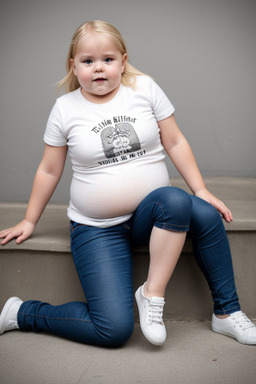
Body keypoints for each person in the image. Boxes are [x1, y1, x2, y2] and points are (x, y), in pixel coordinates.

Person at [0, 20, 255, 347]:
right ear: (73, 66)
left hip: (153, 215)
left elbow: (174, 142)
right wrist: (30, 219)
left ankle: (212, 309)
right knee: (113, 330)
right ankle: (24, 313)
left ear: (123, 61)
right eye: (88, 61)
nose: (99, 68)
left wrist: (201, 190)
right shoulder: (65, 109)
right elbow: (49, 170)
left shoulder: (144, 88)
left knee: (193, 208)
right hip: (97, 227)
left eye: (107, 59)